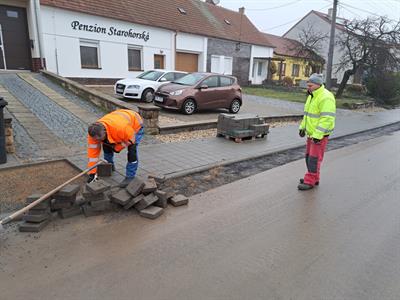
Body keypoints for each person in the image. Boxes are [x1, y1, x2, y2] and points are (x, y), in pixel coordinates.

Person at [87, 109, 144, 187]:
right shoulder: (93, 134)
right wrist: (92, 173)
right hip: (117, 119)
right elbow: (92, 155)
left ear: (105, 132)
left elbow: (131, 140)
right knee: (106, 146)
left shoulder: (121, 128)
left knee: (132, 152)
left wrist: (118, 147)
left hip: (135, 124)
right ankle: (109, 166)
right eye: (96, 139)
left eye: (100, 139)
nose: (98, 141)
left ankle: (130, 177)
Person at [298, 73, 336, 190]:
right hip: (311, 133)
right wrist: (302, 128)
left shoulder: (326, 97)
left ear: (318, 85)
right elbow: (307, 115)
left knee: (314, 158)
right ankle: (314, 177)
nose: (308, 88)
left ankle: (310, 180)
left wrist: (318, 135)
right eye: (307, 85)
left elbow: (327, 118)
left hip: (319, 135)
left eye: (310, 85)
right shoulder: (312, 96)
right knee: (309, 156)